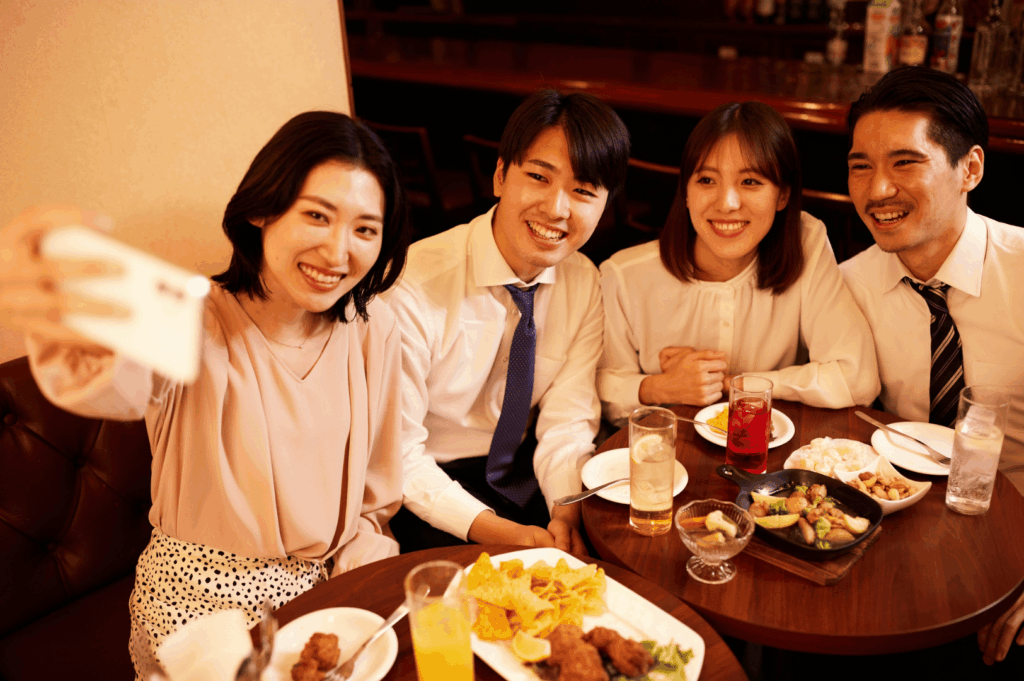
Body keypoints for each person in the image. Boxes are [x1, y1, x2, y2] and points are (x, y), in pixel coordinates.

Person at [0, 112, 411, 677]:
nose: (339, 253)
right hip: (198, 609)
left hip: (322, 592)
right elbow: (114, 385)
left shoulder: (373, 328)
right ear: (263, 209)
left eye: (365, 229)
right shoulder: (191, 321)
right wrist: (68, 317)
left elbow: (373, 500)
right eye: (317, 215)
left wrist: (365, 587)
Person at [385, 89, 630, 555]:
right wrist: (505, 535)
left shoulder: (583, 281)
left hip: (526, 470)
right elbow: (398, 453)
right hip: (427, 481)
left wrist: (565, 511)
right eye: (538, 177)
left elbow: (567, 421)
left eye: (582, 191)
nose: (556, 209)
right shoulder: (412, 287)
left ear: (604, 206)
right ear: (500, 176)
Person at [839, 66, 1024, 670]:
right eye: (860, 166)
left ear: (970, 168)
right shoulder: (846, 286)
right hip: (892, 533)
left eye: (905, 162)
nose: (877, 190)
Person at [597, 100, 879, 427]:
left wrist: (734, 384)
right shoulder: (624, 275)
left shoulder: (805, 243)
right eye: (707, 180)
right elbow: (601, 394)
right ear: (686, 192)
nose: (727, 203)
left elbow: (856, 379)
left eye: (750, 182)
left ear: (783, 195)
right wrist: (661, 386)